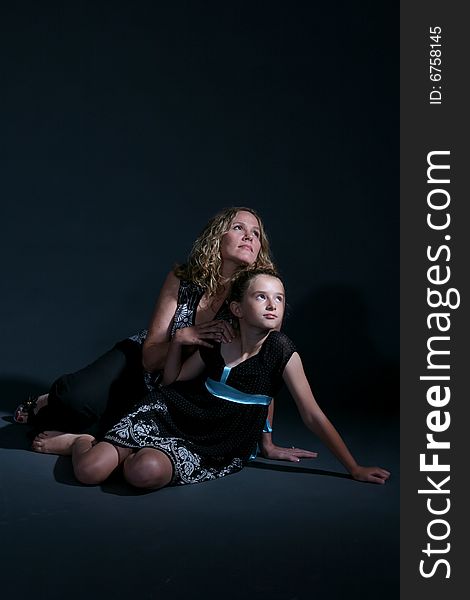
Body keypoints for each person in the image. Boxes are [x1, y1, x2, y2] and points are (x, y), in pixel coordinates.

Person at [22, 207, 314, 463]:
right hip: (143, 361)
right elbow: (149, 358)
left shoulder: (260, 298)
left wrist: (267, 443)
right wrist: (183, 337)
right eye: (239, 228)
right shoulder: (183, 278)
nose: (250, 237)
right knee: (74, 399)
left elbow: (265, 375)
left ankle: (80, 439)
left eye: (256, 233)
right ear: (217, 237)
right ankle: (45, 401)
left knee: (126, 429)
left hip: (183, 386)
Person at [55, 269, 391, 489]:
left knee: (142, 473)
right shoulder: (219, 337)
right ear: (237, 309)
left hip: (215, 443)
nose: (272, 304)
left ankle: (124, 451)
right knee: (89, 471)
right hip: (170, 413)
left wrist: (354, 467)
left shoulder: (282, 351)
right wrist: (180, 341)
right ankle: (80, 440)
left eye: (279, 298)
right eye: (261, 296)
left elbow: (311, 414)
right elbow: (171, 384)